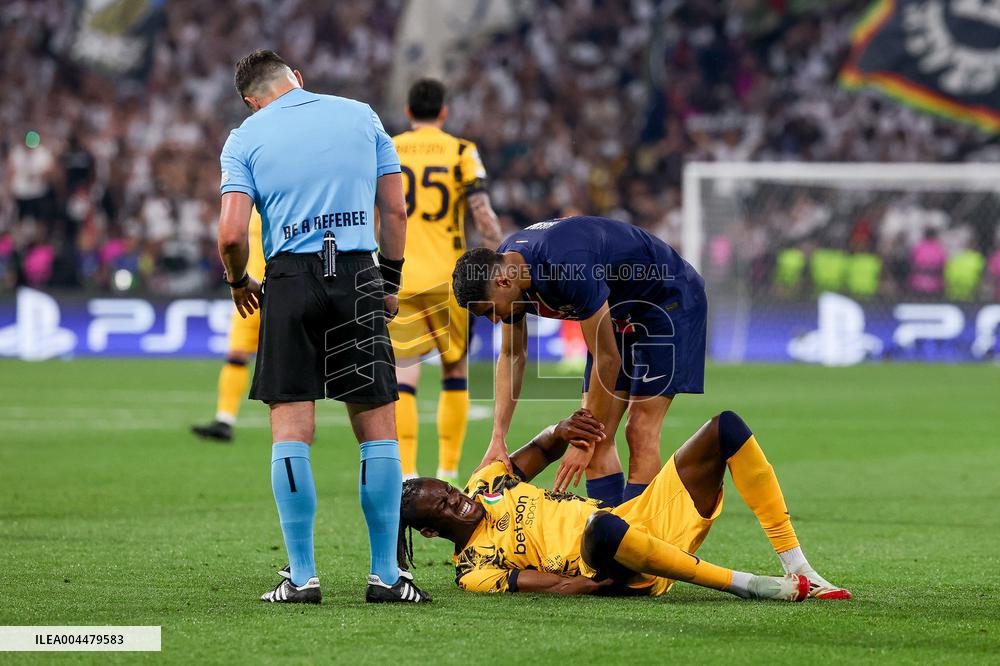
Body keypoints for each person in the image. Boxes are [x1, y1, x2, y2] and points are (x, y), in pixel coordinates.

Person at [216, 50, 429, 604]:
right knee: (378, 432)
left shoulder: (244, 137)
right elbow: (396, 213)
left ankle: (302, 575)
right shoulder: (362, 115)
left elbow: (233, 234)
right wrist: (389, 280)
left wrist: (239, 281)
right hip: (357, 271)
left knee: (292, 431)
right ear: (299, 80)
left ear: (251, 100)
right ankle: (387, 576)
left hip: (288, 279)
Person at [399, 408, 851, 600]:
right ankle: (748, 584)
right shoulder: (474, 570)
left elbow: (542, 448)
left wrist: (561, 428)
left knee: (724, 429)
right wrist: (619, 581)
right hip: (611, 557)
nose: (455, 501)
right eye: (441, 507)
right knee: (599, 528)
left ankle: (801, 567)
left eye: (448, 490)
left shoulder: (487, 483)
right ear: (430, 532)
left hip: (638, 519)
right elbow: (556, 585)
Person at [452, 216, 708, 507]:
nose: (495, 320)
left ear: (503, 281)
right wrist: (498, 438)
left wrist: (581, 442)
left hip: (666, 301)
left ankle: (642, 540)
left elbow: (607, 359)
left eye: (490, 311)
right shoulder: (508, 269)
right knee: (597, 441)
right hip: (616, 311)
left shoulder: (565, 264)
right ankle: (612, 542)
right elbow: (511, 355)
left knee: (638, 430)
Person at [388, 78, 502, 483]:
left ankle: (408, 475)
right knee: (455, 372)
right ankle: (449, 469)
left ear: (407, 112)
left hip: (399, 274)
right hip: (448, 277)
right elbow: (481, 211)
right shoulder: (461, 151)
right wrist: (497, 257)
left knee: (404, 373)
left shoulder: (390, 147)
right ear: (443, 112)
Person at [192, 208, 266, 442]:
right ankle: (224, 420)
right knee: (236, 354)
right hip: (250, 291)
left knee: (293, 359)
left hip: (285, 288)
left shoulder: (286, 194)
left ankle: (302, 424)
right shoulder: (249, 204)